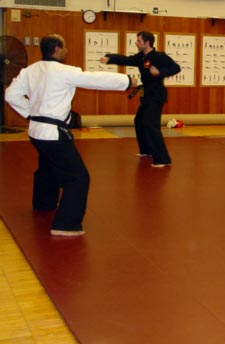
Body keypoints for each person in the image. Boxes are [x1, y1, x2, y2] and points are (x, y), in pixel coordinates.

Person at [5, 34, 135, 236]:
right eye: (64, 47)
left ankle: (44, 204)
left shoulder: (29, 71)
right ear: (57, 49)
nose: (67, 50)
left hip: (36, 131)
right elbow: (95, 79)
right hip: (52, 133)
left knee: (47, 168)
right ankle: (66, 224)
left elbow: (10, 95)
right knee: (78, 177)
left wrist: (30, 112)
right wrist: (127, 80)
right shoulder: (64, 71)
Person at [100, 31, 180, 167]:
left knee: (150, 125)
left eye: (139, 41)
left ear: (147, 42)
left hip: (156, 96)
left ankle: (162, 159)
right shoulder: (141, 57)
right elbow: (126, 60)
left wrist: (160, 72)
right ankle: (146, 150)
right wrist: (110, 58)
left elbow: (176, 68)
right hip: (146, 95)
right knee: (139, 121)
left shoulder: (159, 56)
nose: (137, 43)